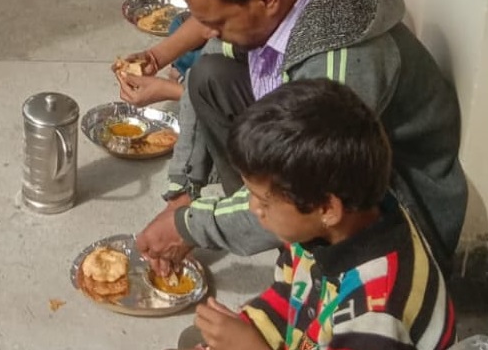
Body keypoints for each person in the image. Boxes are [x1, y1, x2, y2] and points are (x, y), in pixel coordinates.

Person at [134, 0, 467, 270]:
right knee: (209, 74)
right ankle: (262, 214)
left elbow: (311, 179)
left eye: (217, 23)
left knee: (299, 215)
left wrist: (190, 226)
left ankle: (285, 237)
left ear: (267, 1)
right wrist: (182, 192)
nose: (209, 34)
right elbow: (212, 61)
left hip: (398, 203)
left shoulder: (337, 66)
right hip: (320, 163)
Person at [118, 0, 341, 199]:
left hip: (320, 158)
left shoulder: (312, 18)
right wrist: (156, 56)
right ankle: (248, 195)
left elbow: (314, 153)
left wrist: (169, 90)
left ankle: (264, 207)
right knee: (198, 50)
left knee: (205, 68)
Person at [188, 81, 455, 350]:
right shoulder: (330, 222)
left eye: (264, 201)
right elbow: (288, 295)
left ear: (327, 209)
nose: (252, 208)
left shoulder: (375, 313)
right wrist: (242, 330)